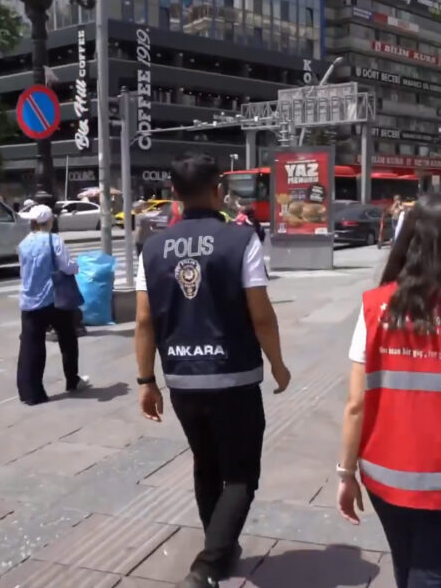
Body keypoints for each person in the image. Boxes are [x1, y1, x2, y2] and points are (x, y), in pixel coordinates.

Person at [336, 193, 441, 588]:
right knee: (434, 573)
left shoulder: (375, 308)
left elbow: (356, 404)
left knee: (407, 565)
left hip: (385, 473)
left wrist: (345, 472)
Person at [135, 154, 290, 588]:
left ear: (174, 194)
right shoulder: (240, 240)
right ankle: (206, 566)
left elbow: (144, 321)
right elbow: (262, 315)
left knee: (205, 464)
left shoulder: (153, 247)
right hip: (234, 376)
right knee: (240, 474)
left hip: (182, 378)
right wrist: (278, 364)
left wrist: (146, 381)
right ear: (217, 190)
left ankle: (219, 549)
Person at [15, 205, 90, 405]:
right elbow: (66, 266)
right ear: (49, 221)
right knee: (68, 339)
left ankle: (30, 393)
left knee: (31, 346)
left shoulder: (24, 243)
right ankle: (72, 380)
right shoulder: (54, 240)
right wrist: (76, 267)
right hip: (53, 299)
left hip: (29, 301)